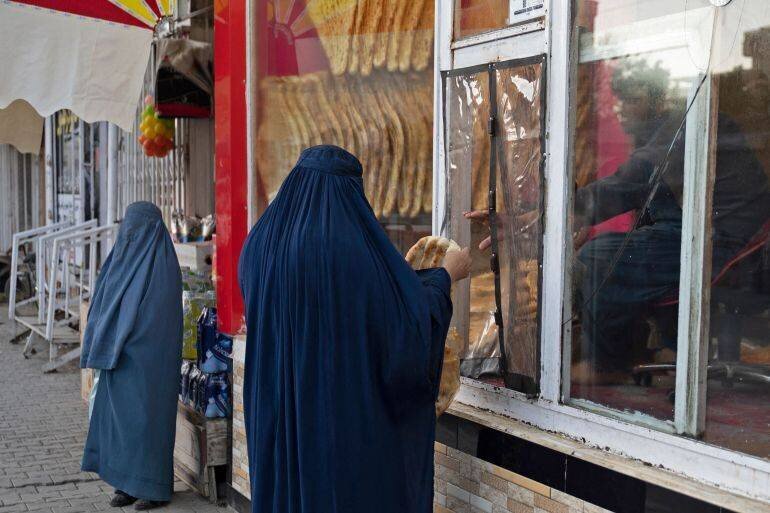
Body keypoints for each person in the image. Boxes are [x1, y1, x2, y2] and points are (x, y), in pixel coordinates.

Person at [467, 64, 770, 384]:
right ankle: (641, 349)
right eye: (620, 101)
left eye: (634, 100)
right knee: (613, 248)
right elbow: (645, 195)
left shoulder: (690, 122)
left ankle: (609, 365)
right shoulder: (663, 134)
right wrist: (562, 221)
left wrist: (550, 217)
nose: (623, 110)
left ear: (658, 101)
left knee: (599, 257)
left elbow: (628, 184)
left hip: (723, 240)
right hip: (695, 230)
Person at [238, 145, 471, 513]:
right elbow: (404, 329)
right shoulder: (349, 251)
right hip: (336, 427)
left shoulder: (258, 245)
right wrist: (445, 277)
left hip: (277, 418)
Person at [80, 201, 183, 510]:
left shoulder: (163, 266)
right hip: (118, 359)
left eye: (137, 228)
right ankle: (125, 484)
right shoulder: (119, 260)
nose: (131, 234)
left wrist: (129, 342)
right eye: (128, 227)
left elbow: (159, 321)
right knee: (118, 425)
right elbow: (102, 302)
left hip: (149, 363)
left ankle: (153, 488)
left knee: (146, 423)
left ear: (153, 229)